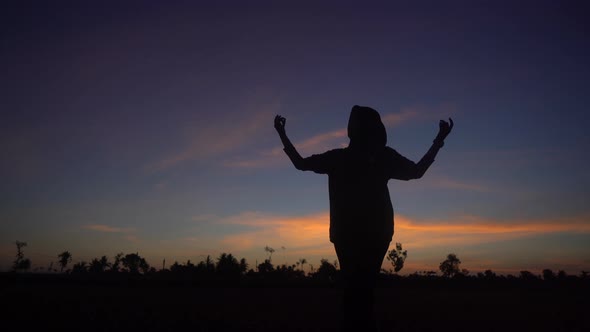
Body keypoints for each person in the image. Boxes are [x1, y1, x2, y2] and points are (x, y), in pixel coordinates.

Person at [274, 105, 453, 331]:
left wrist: (281, 134)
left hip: (357, 233)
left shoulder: (348, 158)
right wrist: (439, 139)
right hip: (368, 233)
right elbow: (417, 171)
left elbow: (301, 164)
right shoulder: (375, 157)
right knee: (362, 289)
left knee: (355, 288)